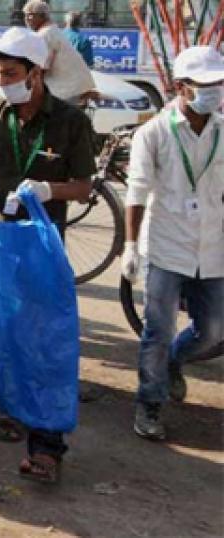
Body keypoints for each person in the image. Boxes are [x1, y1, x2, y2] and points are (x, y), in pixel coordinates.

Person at [0, 27, 95, 483]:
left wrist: (47, 189)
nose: (3, 81)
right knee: (4, 334)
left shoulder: (70, 122)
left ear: (37, 74)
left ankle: (47, 446)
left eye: (11, 73)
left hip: (44, 247)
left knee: (42, 341)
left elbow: (83, 187)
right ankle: (12, 408)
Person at [124, 46, 223, 441]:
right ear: (181, 87)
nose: (215, 92)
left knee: (214, 331)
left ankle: (173, 363)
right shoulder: (154, 133)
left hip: (213, 247)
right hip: (166, 245)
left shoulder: (222, 129)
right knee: (157, 331)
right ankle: (149, 403)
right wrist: (130, 246)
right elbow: (136, 190)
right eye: (206, 85)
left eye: (219, 84)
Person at [23, 0, 95, 105]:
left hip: (66, 89)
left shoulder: (45, 34)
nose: (26, 19)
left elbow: (43, 66)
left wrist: (27, 81)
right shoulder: (51, 30)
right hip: (75, 86)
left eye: (30, 15)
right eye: (25, 15)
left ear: (42, 16)